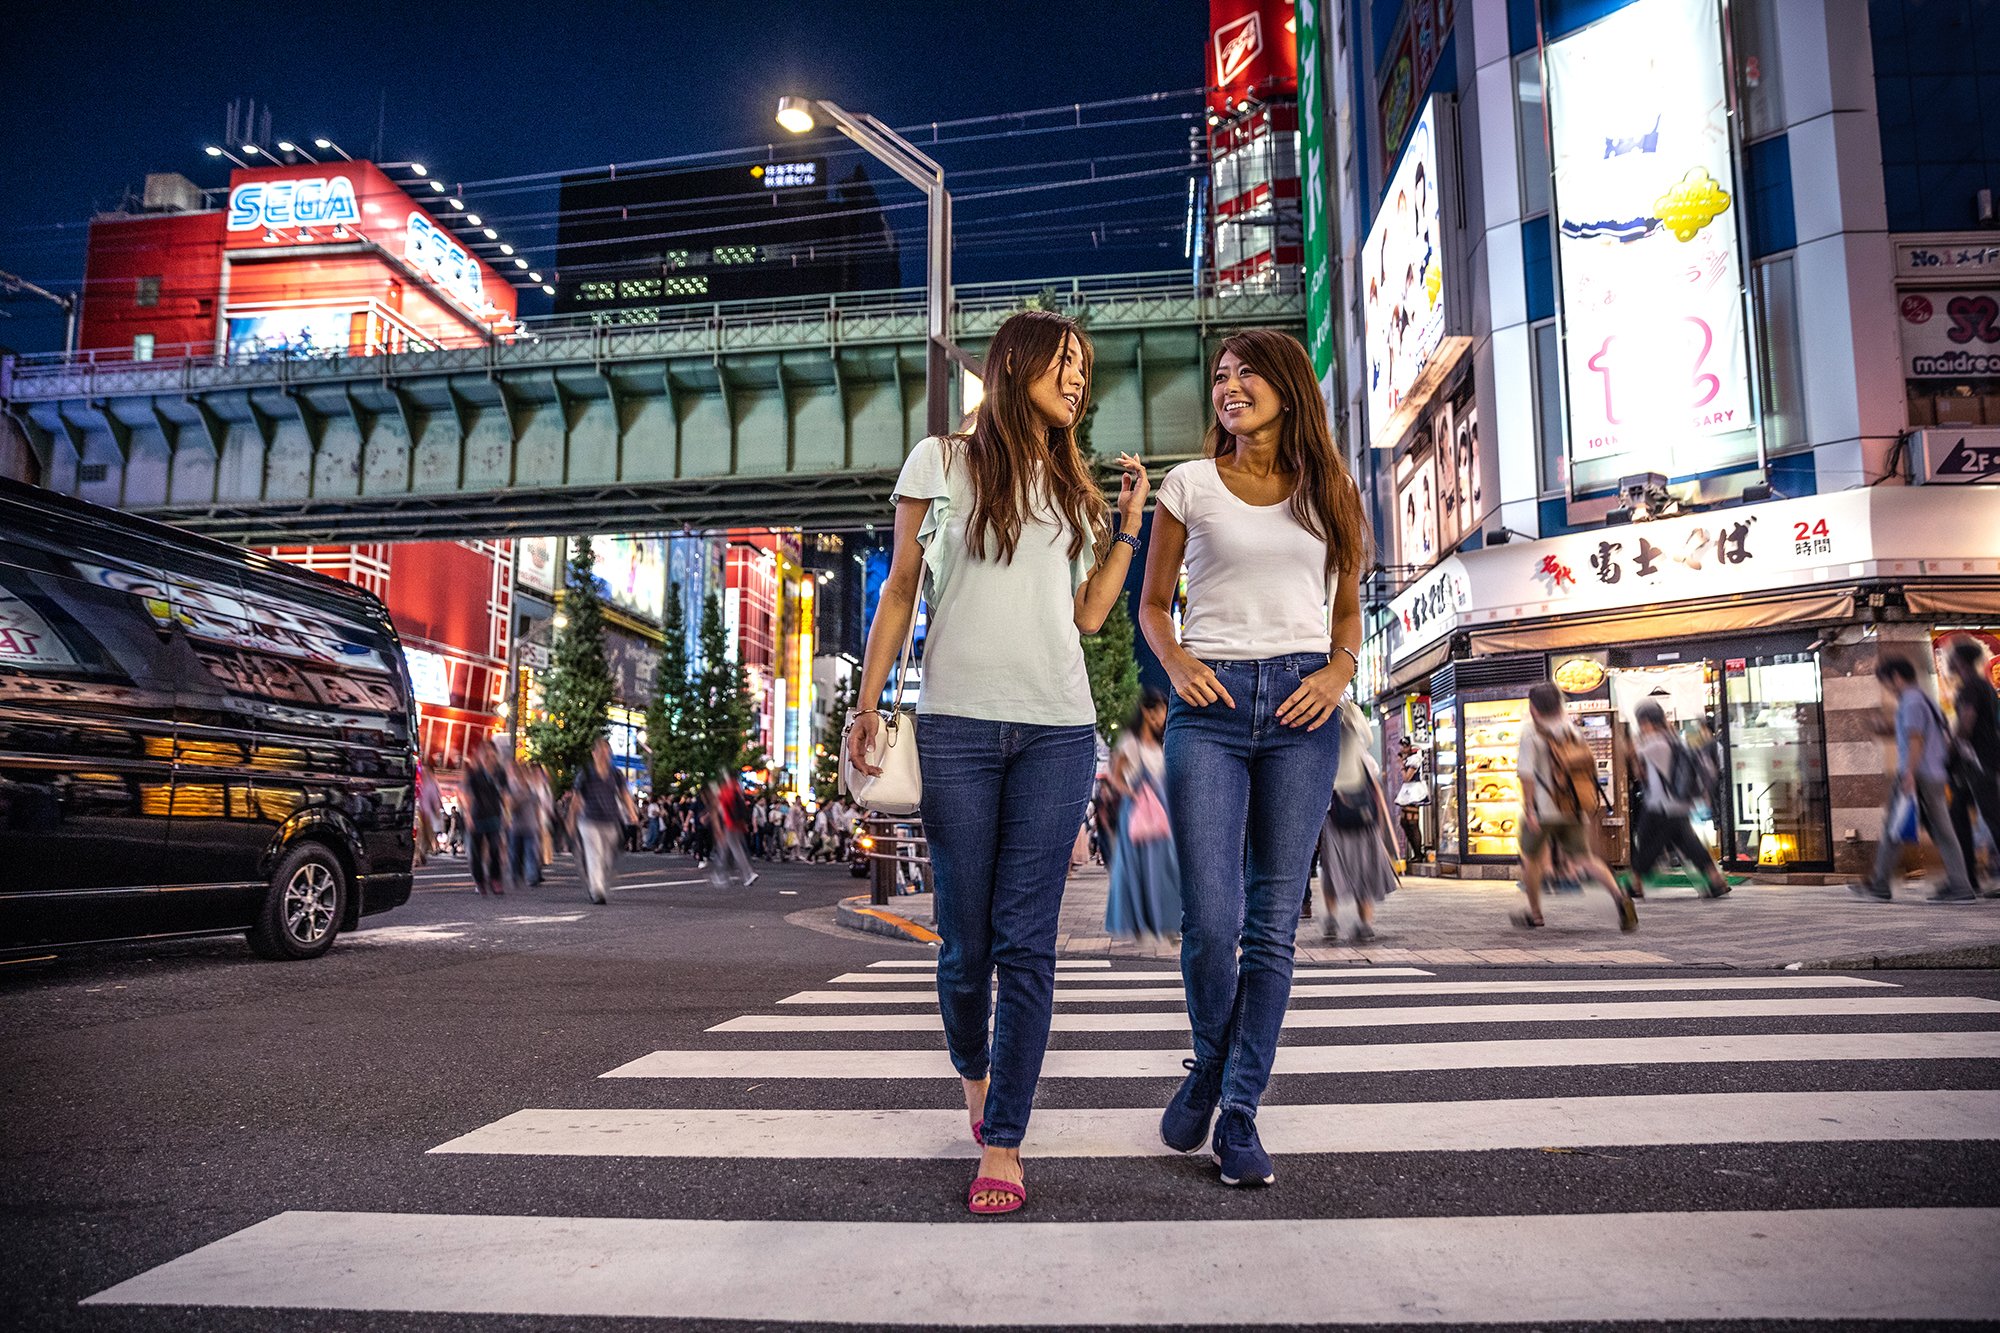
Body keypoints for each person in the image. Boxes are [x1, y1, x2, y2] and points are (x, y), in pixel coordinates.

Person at [845, 308, 1147, 1216]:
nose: (1078, 380)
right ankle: (973, 1076)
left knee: (1028, 942)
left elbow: (1090, 615)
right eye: (1066, 363)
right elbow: (901, 587)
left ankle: (1005, 1138)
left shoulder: (1075, 487)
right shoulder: (938, 461)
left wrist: (1126, 524)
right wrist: (866, 703)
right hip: (957, 729)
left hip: (1056, 729)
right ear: (1016, 366)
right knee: (966, 945)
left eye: (1085, 369)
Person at [1137, 327, 1367, 1189]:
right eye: (1221, 377)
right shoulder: (1190, 484)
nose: (1228, 387)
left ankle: (1236, 1109)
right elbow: (1155, 605)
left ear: (1286, 386)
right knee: (1212, 919)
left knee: (1273, 925)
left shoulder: (1333, 490)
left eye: (1246, 374)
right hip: (1213, 707)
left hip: (1307, 706)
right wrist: (1181, 663)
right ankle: (1207, 1057)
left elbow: (1347, 612)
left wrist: (1341, 672)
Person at [1853, 654, 1975, 902]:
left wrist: (1908, 773)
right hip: (1933, 773)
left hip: (1917, 774)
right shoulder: (1925, 700)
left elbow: (1915, 739)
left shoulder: (1910, 702)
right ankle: (1960, 885)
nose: (1887, 688)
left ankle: (1880, 884)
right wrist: (1883, 729)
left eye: (1886, 682)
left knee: (1894, 828)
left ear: (1896, 677)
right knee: (1940, 830)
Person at [1516, 683, 1637, 931]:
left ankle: (1536, 914)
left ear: (1533, 708)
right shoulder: (1572, 731)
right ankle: (1619, 897)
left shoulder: (1531, 733)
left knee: (1531, 859)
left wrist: (1529, 810)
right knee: (1585, 858)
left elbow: (1526, 776)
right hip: (1572, 807)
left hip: (1542, 811)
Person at [1626, 700, 1729, 898]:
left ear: (1646, 722)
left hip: (1660, 804)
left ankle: (1636, 883)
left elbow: (1639, 772)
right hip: (1679, 804)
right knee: (1687, 842)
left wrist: (1632, 746)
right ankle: (1716, 880)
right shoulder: (1674, 739)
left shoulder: (1653, 744)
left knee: (1648, 842)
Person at [1104, 688, 1183, 943]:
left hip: (1161, 813)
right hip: (1138, 813)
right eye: (1160, 710)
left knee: (1166, 867)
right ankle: (1140, 921)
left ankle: (1167, 921)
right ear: (1147, 712)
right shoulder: (1130, 743)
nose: (1164, 716)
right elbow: (1114, 775)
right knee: (1137, 868)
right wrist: (1132, 792)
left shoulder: (1161, 744)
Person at [1317, 705, 1400, 943]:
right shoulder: (1365, 759)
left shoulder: (1327, 754)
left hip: (1336, 820)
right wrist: (1382, 829)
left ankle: (1332, 919)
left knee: (1333, 872)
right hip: (1365, 823)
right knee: (1365, 871)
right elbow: (1377, 793)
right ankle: (1365, 923)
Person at [1943, 636, 2000, 896]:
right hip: (1976, 761)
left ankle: (1966, 879)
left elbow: (1966, 725)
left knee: (1992, 817)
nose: (1947, 662)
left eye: (1950, 657)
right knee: (1958, 813)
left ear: (1960, 661)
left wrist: (1948, 750)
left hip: (1979, 760)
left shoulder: (1971, 688)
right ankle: (1965, 879)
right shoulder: (1981, 686)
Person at [571, 738, 635, 905]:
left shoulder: (616, 773)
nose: (603, 755)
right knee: (595, 854)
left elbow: (624, 794)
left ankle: (599, 882)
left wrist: (632, 813)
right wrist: (570, 819)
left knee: (607, 858)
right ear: (594, 754)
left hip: (610, 820)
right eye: (600, 752)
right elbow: (576, 798)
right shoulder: (586, 772)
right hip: (589, 820)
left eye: (606, 752)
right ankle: (597, 890)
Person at [464, 743, 508, 896]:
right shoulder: (475, 774)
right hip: (478, 815)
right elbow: (469, 796)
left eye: (492, 755)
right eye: (487, 755)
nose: (490, 758)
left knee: (495, 849)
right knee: (476, 851)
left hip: (494, 814)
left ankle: (495, 879)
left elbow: (504, 795)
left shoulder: (500, 774)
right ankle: (480, 881)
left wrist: (506, 814)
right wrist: (468, 815)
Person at [506, 758, 546, 889]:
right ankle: (515, 875)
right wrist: (520, 798)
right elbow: (510, 806)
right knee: (515, 854)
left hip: (531, 824)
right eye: (521, 771)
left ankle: (532, 877)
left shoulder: (531, 786)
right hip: (516, 825)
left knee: (531, 853)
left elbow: (537, 806)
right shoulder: (513, 786)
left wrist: (539, 823)